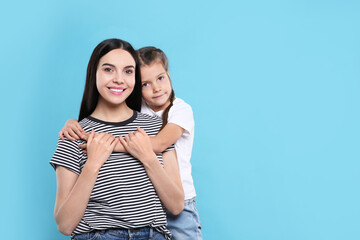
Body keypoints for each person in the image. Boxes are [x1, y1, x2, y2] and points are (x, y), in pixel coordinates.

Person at [59, 46, 202, 240]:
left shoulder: (172, 116)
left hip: (178, 205)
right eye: (108, 69)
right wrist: (75, 128)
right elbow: (64, 225)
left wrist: (107, 145)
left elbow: (158, 145)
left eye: (127, 71)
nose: (156, 88)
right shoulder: (76, 133)